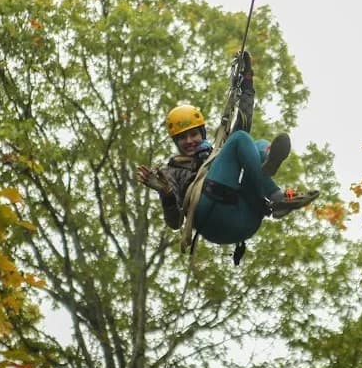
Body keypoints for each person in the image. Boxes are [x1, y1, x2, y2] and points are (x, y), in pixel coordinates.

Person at [136, 51, 319, 248]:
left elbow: (243, 124)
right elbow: (174, 223)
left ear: (202, 134)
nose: (189, 141)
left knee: (253, 145)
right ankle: (277, 195)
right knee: (240, 139)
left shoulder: (216, 156)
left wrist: (247, 83)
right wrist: (166, 193)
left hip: (246, 220)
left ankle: (269, 165)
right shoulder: (171, 171)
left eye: (193, 134)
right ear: (175, 143)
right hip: (212, 217)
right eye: (182, 138)